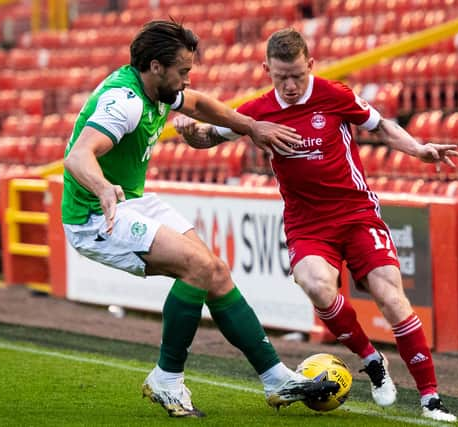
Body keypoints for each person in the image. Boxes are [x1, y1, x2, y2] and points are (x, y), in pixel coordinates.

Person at [173, 28, 458, 423]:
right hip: (308, 224)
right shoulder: (257, 112)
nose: (290, 86)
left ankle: (430, 399)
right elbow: (209, 136)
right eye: (280, 77)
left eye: (297, 75)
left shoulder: (335, 95)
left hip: (357, 214)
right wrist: (190, 134)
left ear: (310, 65)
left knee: (390, 298)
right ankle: (371, 359)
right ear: (266, 70)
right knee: (314, 284)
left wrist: (419, 149)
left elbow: (380, 125)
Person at [61, 21, 338, 418]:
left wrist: (251, 127)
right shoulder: (125, 101)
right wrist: (104, 189)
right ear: (156, 66)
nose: (188, 79)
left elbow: (202, 105)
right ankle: (167, 379)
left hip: (132, 201)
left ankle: (277, 379)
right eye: (183, 72)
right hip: (93, 215)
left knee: (217, 272)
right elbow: (78, 156)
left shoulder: (157, 87)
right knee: (197, 266)